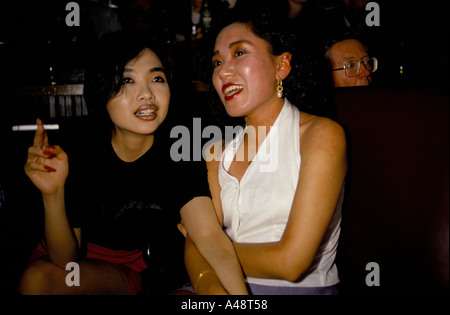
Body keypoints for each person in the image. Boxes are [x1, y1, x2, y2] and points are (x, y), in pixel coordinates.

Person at [18, 31, 247, 295]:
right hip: (67, 265)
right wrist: (53, 194)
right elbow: (65, 261)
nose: (147, 94)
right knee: (38, 279)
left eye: (157, 79)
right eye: (127, 80)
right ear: (102, 91)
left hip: (134, 270)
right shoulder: (81, 151)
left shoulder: (179, 150)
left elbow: (209, 238)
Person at [183, 11, 347, 294]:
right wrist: (211, 286)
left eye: (239, 53)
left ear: (281, 66)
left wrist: (212, 247)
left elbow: (291, 262)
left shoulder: (322, 135)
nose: (223, 71)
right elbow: (192, 246)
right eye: (217, 62)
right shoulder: (217, 151)